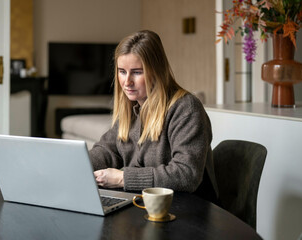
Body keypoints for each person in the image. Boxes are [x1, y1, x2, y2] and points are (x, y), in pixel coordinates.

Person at [89, 30, 219, 202]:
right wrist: (79, 166)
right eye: (122, 71)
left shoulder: (186, 108)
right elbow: (106, 150)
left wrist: (122, 178)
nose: (127, 82)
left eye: (137, 72)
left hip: (189, 210)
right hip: (146, 205)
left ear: (156, 71)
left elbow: (186, 174)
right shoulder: (132, 107)